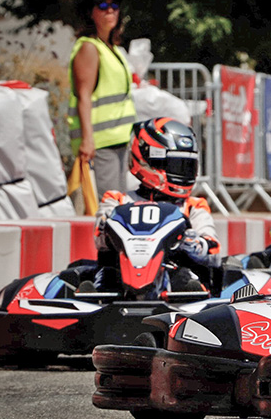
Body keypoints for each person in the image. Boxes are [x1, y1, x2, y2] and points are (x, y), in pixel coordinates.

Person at [92, 117, 221, 291]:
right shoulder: (117, 201)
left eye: (188, 166)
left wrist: (195, 244)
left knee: (186, 279)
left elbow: (214, 252)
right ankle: (95, 304)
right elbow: (99, 241)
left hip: (175, 283)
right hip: (120, 281)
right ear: (149, 160)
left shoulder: (193, 206)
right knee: (104, 276)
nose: (184, 173)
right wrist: (108, 230)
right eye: (177, 165)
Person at [68, 0, 137, 200]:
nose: (110, 10)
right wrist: (88, 140)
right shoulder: (89, 47)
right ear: (90, 12)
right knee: (108, 207)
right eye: (103, 5)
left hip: (119, 139)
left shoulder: (111, 48)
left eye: (114, 5)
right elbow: (84, 96)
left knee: (117, 205)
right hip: (100, 144)